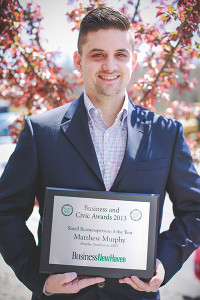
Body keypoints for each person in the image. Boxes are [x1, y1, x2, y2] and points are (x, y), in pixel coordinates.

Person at [0, 6, 200, 300]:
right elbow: (6, 212)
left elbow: (195, 210)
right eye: (97, 55)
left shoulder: (166, 133)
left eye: (120, 54)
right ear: (78, 62)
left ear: (133, 61)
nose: (110, 65)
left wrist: (164, 263)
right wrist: (38, 277)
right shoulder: (40, 131)